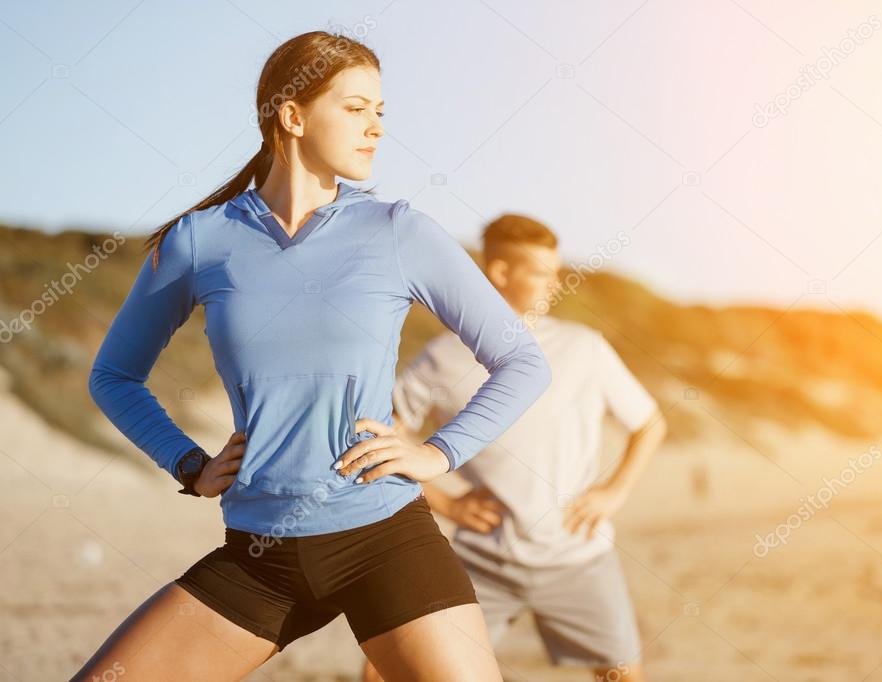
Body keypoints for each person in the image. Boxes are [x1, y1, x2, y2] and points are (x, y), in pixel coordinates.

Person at [72, 31, 551, 682]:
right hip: (258, 557)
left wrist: (437, 454)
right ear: (292, 116)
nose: (376, 128)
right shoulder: (201, 240)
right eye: (356, 109)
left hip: (385, 542)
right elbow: (114, 376)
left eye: (380, 112)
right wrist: (187, 463)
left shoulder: (397, 231)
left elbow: (522, 361)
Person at [362, 214, 666, 682]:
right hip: (481, 561)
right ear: (500, 273)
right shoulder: (444, 357)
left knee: (623, 675)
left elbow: (649, 424)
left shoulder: (584, 347)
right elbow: (386, 437)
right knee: (386, 670)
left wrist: (614, 492)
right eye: (543, 271)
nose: (556, 282)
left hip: (577, 556)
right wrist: (444, 503)